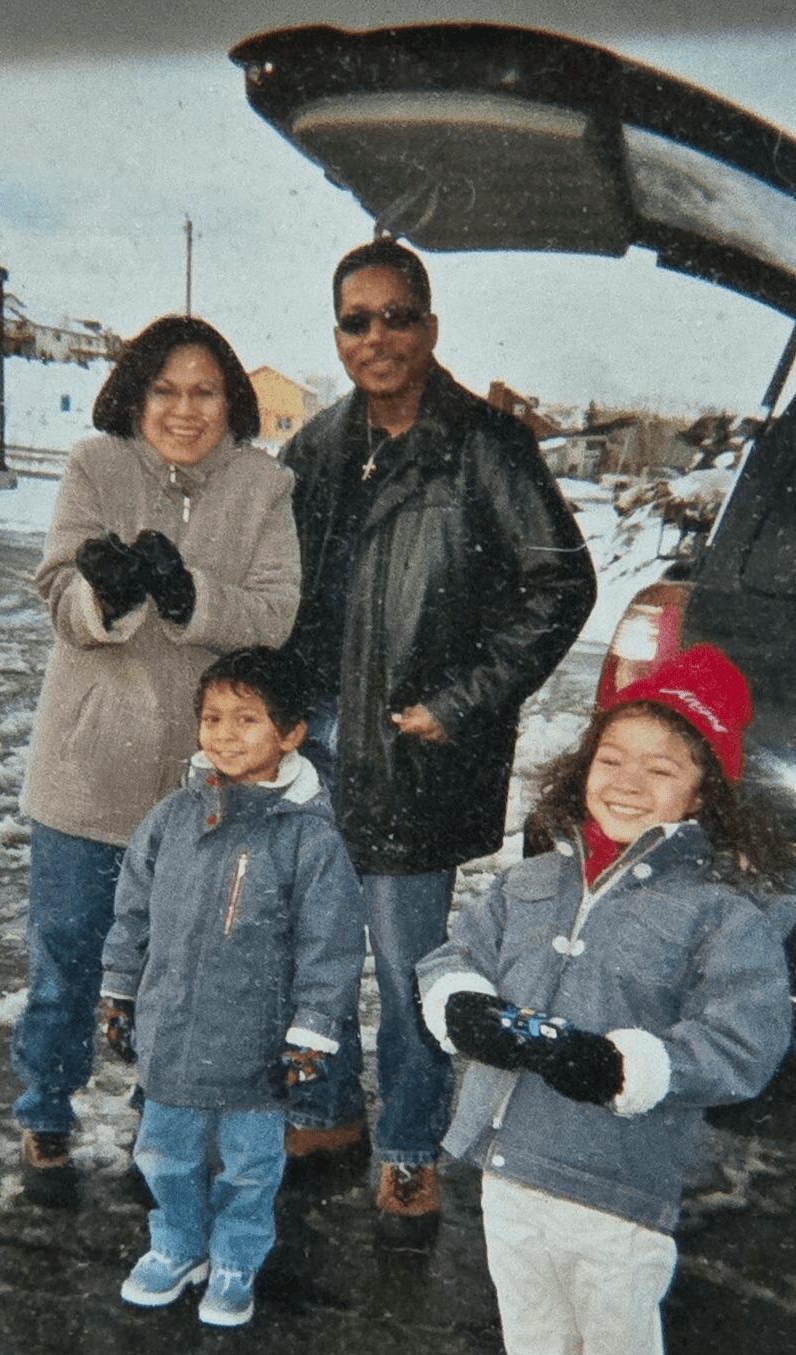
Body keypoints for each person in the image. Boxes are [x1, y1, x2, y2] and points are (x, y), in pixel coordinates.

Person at [416, 644, 793, 1355]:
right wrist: (461, 1001)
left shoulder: (719, 913)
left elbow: (743, 1042)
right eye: (611, 758)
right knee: (539, 1350)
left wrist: (626, 1063)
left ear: (703, 793)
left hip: (615, 1182)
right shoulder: (532, 881)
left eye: (660, 768)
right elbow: (453, 954)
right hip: (511, 1162)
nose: (626, 781)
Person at [280, 237, 597, 1230]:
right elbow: (277, 590)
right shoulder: (315, 448)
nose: (375, 337)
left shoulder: (483, 444)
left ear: (428, 327)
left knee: (406, 960)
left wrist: (461, 701)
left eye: (395, 316)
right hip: (311, 740)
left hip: (410, 752)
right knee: (314, 948)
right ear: (337, 335)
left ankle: (409, 1144)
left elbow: (561, 584)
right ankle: (326, 1110)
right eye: (355, 320)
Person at [11, 316, 300, 1200]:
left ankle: (160, 1131)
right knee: (67, 958)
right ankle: (45, 1117)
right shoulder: (94, 466)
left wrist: (187, 596)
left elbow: (274, 614)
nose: (184, 409)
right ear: (135, 396)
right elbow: (58, 594)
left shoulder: (265, 486)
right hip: (86, 771)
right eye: (165, 390)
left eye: (204, 391)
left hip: (202, 784)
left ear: (231, 400)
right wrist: (105, 594)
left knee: (180, 974)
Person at [99, 646, 365, 1327]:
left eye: (247, 719)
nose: (224, 734)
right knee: (165, 1152)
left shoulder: (309, 839)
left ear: (292, 732)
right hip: (171, 1031)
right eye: (212, 717)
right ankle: (177, 1244)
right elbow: (132, 912)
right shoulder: (171, 818)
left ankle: (236, 1257)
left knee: (248, 1165)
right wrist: (120, 991)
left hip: (257, 1044)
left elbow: (330, 946)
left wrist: (312, 1032)